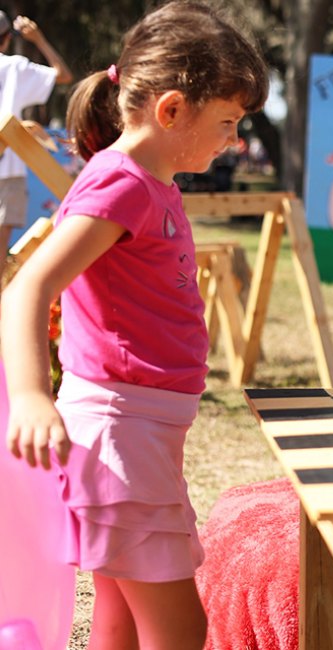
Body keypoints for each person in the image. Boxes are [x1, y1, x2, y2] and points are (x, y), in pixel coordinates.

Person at [0, 2, 268, 648]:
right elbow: (29, 288)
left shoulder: (153, 181)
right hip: (120, 437)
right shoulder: (119, 184)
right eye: (227, 122)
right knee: (180, 630)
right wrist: (32, 396)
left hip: (137, 436)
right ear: (171, 110)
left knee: (118, 624)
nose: (233, 141)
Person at [0, 10, 73, 283]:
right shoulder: (16, 68)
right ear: (6, 39)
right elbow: (63, 75)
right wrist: (38, 39)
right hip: (9, 164)